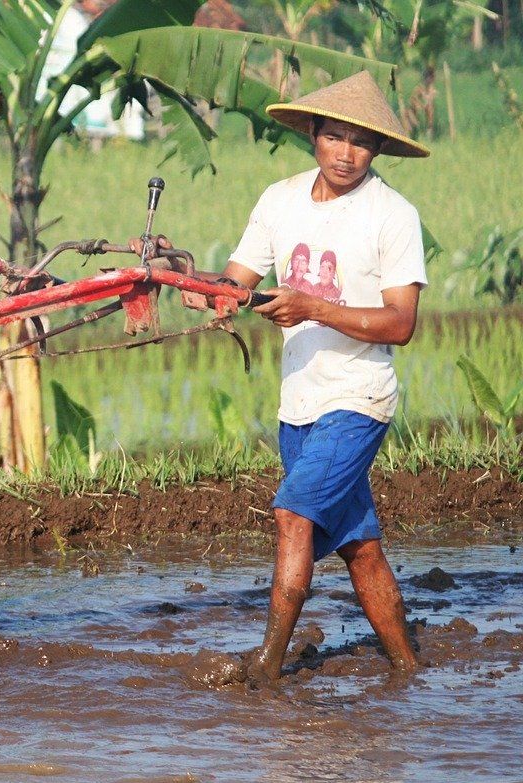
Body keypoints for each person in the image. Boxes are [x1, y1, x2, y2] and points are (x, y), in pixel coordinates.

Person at [135, 71, 430, 682]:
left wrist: (314, 307)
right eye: (335, 138)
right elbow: (234, 286)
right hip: (299, 402)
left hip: (358, 398)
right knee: (361, 550)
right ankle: (407, 667)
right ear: (313, 137)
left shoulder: (393, 215)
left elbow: (401, 323)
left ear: (376, 149)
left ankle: (267, 667)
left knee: (293, 515)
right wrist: (182, 279)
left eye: (360, 142)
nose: (346, 154)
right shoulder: (280, 200)